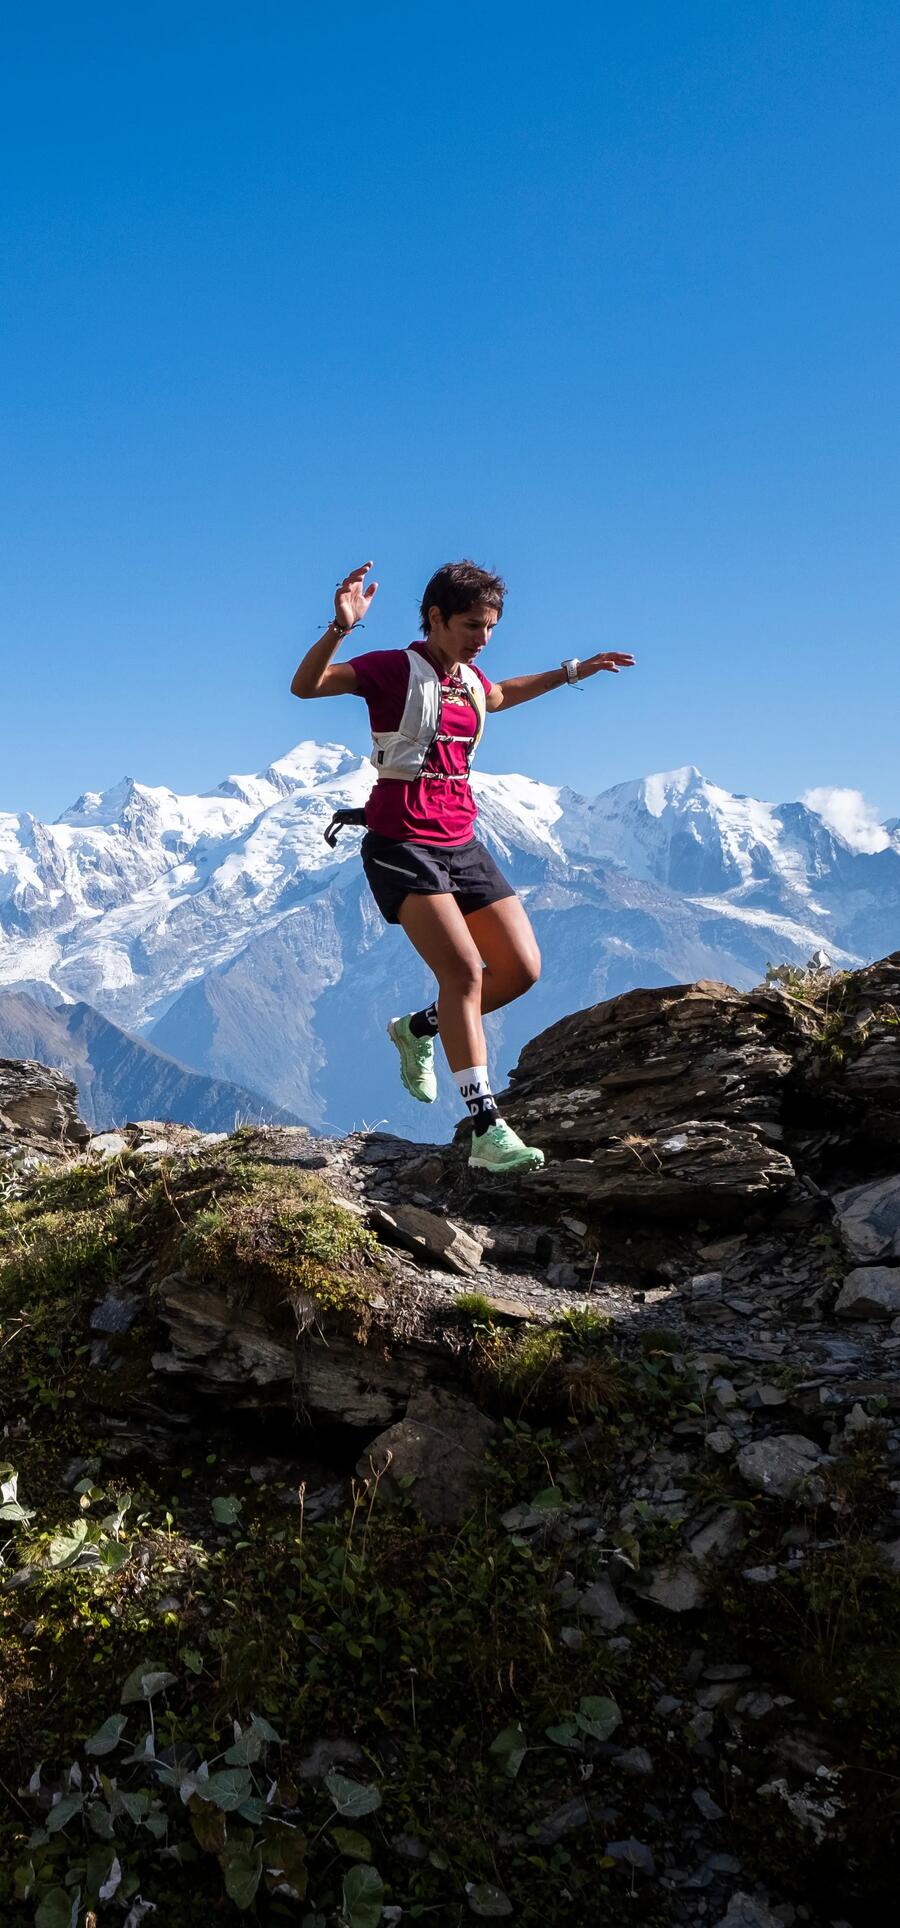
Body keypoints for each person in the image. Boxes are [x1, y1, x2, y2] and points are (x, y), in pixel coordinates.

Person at [291, 560, 635, 1173]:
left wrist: (576, 670)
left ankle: (418, 1029)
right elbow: (307, 687)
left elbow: (502, 696)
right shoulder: (391, 668)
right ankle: (487, 1130)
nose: (484, 637)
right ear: (436, 618)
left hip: (462, 842)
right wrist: (339, 629)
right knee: (466, 974)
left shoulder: (471, 681)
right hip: (400, 844)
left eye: (492, 627)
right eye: (474, 625)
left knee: (521, 970)